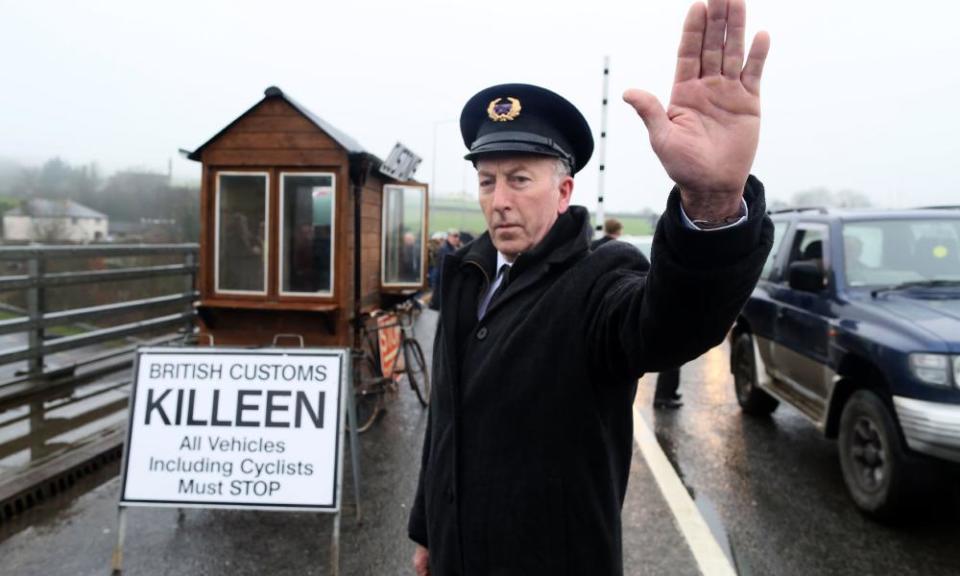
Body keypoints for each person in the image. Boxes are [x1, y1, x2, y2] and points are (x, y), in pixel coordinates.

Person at [409, 1, 772, 574]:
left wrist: (712, 202)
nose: (498, 199)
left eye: (519, 179)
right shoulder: (465, 273)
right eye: (486, 180)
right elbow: (445, 424)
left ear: (563, 191)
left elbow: (671, 324)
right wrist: (428, 530)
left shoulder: (598, 280)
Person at [427, 229, 462, 310]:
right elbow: (444, 269)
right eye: (455, 236)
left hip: (445, 282)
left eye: (458, 236)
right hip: (442, 282)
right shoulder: (445, 249)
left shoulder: (452, 248)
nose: (457, 238)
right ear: (449, 237)